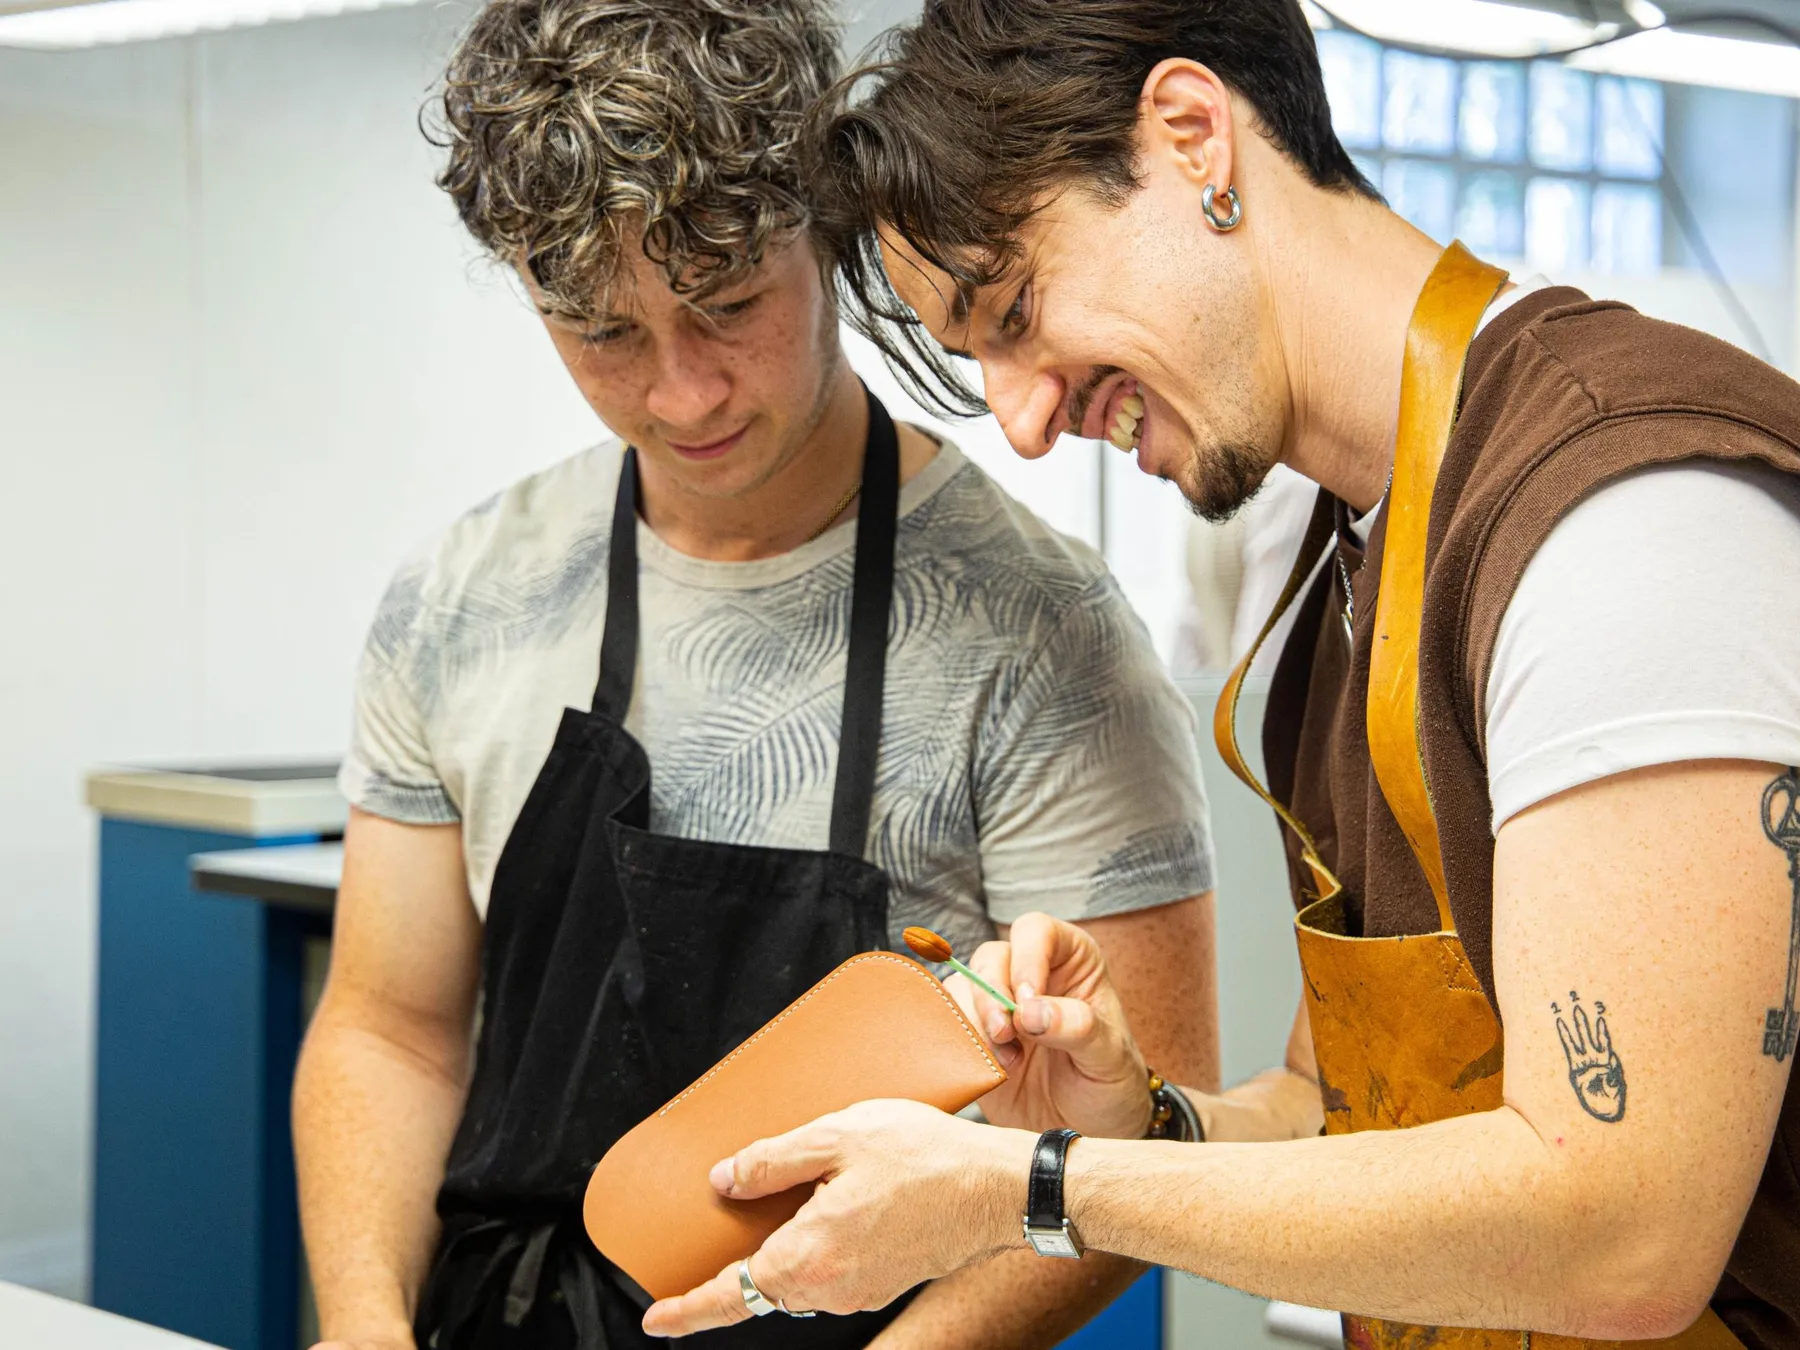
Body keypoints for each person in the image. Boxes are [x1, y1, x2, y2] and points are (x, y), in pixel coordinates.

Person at [641, 3, 1800, 1347]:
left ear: (1194, 133)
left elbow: (1622, 1229)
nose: (1021, 421)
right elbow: (1342, 1105)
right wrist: (1142, 1122)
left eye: (1014, 310)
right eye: (979, 364)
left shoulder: (1620, 517)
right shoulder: (1338, 563)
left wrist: (1038, 1187)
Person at [289, 2, 1220, 1348]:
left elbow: (1144, 1141)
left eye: (727, 306)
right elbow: (392, 1027)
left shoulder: (1044, 635)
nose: (682, 393)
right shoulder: (462, 598)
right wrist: (363, 1323)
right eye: (602, 333)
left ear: (828, 236)